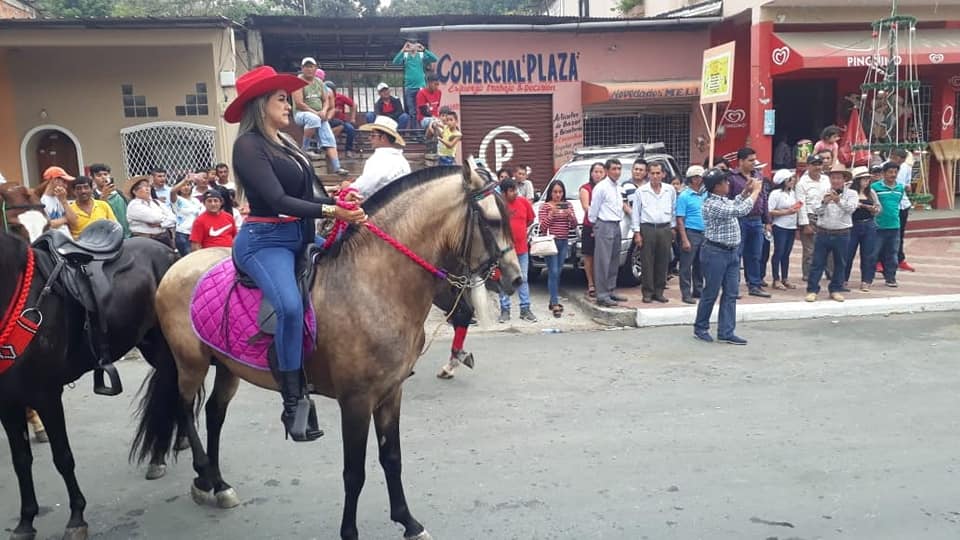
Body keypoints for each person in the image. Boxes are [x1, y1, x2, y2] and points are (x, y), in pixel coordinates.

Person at [223, 65, 366, 442]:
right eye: (281, 99)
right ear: (260, 104)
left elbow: (307, 193)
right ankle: (293, 402)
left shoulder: (286, 142)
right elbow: (277, 200)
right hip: (264, 241)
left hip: (299, 237)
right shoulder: (247, 145)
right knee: (288, 306)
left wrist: (340, 199)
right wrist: (332, 211)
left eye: (288, 99)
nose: (289, 105)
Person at [693, 168, 762, 345]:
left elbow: (734, 204)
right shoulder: (712, 204)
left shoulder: (722, 200)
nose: (728, 183)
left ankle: (726, 331)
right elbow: (739, 211)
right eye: (724, 181)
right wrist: (755, 192)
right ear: (717, 186)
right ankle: (701, 327)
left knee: (731, 293)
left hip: (731, 251)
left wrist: (746, 192)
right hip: (715, 252)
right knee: (711, 292)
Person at [805, 165, 857, 302]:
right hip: (823, 232)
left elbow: (851, 209)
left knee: (840, 263)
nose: (836, 181)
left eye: (839, 178)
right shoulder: (823, 191)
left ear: (844, 179)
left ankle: (835, 289)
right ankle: (812, 290)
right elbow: (815, 210)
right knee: (817, 262)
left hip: (842, 233)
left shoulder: (852, 194)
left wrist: (838, 200)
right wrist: (824, 202)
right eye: (833, 178)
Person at [292, 58, 348, 176]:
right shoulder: (298, 82)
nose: (309, 69)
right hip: (301, 114)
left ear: (315, 68)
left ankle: (337, 167)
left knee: (330, 139)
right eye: (306, 66)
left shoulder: (319, 82)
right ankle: (305, 149)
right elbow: (299, 103)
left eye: (311, 66)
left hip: (318, 115)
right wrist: (316, 113)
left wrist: (324, 111)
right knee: (314, 119)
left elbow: (326, 100)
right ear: (302, 68)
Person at [727, 148, 772, 298]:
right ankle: (733, 287)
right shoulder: (732, 178)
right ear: (741, 161)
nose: (754, 163)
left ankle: (754, 285)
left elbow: (763, 197)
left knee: (755, 254)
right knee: (736, 254)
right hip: (739, 220)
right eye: (750, 160)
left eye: (754, 160)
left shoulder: (758, 175)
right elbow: (729, 200)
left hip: (757, 220)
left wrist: (767, 220)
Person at [631, 161, 676, 303]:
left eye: (658, 173)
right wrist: (637, 233)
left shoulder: (670, 190)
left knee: (663, 260)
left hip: (665, 228)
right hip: (647, 228)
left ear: (663, 174)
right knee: (647, 261)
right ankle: (647, 292)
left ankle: (659, 291)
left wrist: (673, 228)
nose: (655, 176)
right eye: (652, 173)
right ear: (648, 174)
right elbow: (636, 213)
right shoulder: (641, 191)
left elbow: (673, 209)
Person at [588, 159, 628, 308]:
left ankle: (610, 290)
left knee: (614, 260)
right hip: (604, 224)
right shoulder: (601, 187)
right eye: (614, 169)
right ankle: (602, 295)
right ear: (607, 170)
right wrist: (595, 225)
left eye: (619, 169)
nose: (617, 172)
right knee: (602, 261)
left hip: (616, 224)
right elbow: (594, 208)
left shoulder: (618, 187)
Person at [497, 178, 537, 323]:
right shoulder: (498, 206)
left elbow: (530, 220)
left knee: (523, 278)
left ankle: (525, 309)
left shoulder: (524, 202)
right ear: (503, 193)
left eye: (515, 189)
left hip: (522, 249)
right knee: (504, 279)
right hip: (504, 251)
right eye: (511, 190)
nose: (515, 192)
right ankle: (505, 309)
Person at [538, 179, 578, 318]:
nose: (558, 195)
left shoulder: (568, 205)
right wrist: (551, 214)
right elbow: (542, 227)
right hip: (551, 242)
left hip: (564, 241)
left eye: (560, 192)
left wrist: (570, 215)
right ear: (550, 192)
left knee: (558, 271)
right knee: (553, 271)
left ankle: (553, 298)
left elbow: (574, 225)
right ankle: (555, 303)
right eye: (555, 192)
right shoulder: (545, 206)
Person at [347, 116, 411, 198]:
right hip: (397, 201)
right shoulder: (402, 160)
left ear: (383, 138)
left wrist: (348, 187)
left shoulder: (379, 159)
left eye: (373, 135)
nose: (369, 138)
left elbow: (363, 186)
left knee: (335, 204)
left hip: (380, 203)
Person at [795, 154, 831, 281]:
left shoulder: (826, 179)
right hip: (810, 217)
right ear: (808, 166)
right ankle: (808, 274)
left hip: (826, 216)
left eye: (819, 164)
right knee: (810, 250)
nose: (817, 167)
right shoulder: (801, 183)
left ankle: (830, 273)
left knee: (829, 247)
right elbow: (800, 204)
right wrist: (805, 224)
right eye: (814, 164)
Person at [845, 166, 880, 292]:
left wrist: (873, 209)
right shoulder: (849, 192)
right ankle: (843, 279)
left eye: (868, 179)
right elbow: (845, 207)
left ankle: (866, 280)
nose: (866, 182)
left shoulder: (870, 193)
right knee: (848, 253)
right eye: (864, 179)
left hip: (868, 224)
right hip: (853, 224)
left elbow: (878, 208)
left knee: (868, 254)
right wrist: (856, 206)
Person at [675, 165, 707, 304]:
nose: (701, 180)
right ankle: (686, 293)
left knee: (700, 264)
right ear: (693, 179)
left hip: (704, 232)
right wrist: (684, 239)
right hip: (690, 232)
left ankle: (698, 290)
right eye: (698, 177)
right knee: (686, 265)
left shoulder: (705, 194)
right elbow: (680, 219)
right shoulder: (684, 196)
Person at [871, 161, 905, 288]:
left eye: (895, 172)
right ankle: (868, 278)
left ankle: (890, 278)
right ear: (884, 173)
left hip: (894, 226)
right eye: (890, 172)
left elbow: (897, 203)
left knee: (892, 254)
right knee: (873, 253)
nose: (893, 175)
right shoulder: (875, 187)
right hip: (878, 226)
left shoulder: (900, 188)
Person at [767, 169, 801, 290]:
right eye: (790, 179)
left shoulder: (793, 193)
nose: (792, 181)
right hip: (780, 226)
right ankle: (776, 279)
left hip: (791, 226)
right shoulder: (775, 193)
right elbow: (770, 210)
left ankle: (785, 278)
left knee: (787, 253)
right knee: (779, 252)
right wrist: (786, 212)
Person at [392, 39, 438, 118]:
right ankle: (414, 125)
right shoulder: (405, 56)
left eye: (414, 44)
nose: (413, 46)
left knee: (421, 109)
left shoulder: (421, 55)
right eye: (410, 44)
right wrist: (403, 50)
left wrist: (424, 49)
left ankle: (421, 125)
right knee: (412, 111)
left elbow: (434, 59)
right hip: (409, 87)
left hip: (420, 86)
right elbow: (395, 62)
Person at [886, 148, 915, 272]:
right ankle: (880, 261)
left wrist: (908, 187)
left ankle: (900, 260)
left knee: (900, 235)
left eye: (902, 161)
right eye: (898, 160)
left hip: (903, 204)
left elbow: (907, 183)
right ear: (892, 156)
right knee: (885, 235)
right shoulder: (883, 167)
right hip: (889, 205)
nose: (900, 163)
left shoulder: (906, 168)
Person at [126, 177, 176, 248]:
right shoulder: (134, 205)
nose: (147, 189)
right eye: (143, 186)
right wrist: (165, 217)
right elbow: (155, 218)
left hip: (163, 238)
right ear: (134, 191)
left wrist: (161, 224)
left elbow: (173, 218)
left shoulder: (156, 202)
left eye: (148, 186)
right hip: (145, 241)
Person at [579, 162, 604, 298]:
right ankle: (591, 284)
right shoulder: (585, 188)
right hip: (590, 225)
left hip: (604, 225)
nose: (598, 174)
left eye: (601, 172)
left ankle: (601, 283)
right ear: (591, 173)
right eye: (596, 171)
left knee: (602, 256)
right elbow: (586, 207)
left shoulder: (607, 187)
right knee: (589, 255)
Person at [90, 163, 129, 237]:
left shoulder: (120, 194)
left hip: (126, 233)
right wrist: (103, 197)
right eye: (99, 175)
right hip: (107, 235)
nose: (103, 177)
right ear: (93, 178)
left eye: (105, 174)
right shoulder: (92, 197)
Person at [37, 166, 76, 235]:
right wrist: (65, 219)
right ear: (55, 180)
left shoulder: (60, 197)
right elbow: (46, 225)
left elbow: (74, 221)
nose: (66, 186)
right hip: (53, 239)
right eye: (64, 182)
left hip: (67, 238)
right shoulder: (41, 201)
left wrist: (64, 201)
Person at [170, 174, 203, 256]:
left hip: (196, 233)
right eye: (183, 185)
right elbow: (172, 191)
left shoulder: (195, 200)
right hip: (183, 234)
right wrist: (185, 180)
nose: (186, 187)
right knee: (189, 258)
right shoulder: (177, 199)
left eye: (188, 185)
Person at [325, 81, 359, 159]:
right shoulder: (323, 99)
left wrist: (353, 118)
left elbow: (354, 105)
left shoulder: (340, 97)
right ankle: (325, 148)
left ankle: (348, 150)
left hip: (342, 122)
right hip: (329, 121)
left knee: (350, 129)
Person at [415, 74, 443, 141]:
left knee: (446, 123)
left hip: (435, 119)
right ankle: (428, 139)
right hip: (423, 119)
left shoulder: (439, 92)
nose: (437, 86)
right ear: (429, 83)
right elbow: (423, 111)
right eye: (435, 84)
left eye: (438, 84)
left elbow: (437, 106)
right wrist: (434, 118)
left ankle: (435, 140)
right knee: (435, 123)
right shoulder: (421, 93)